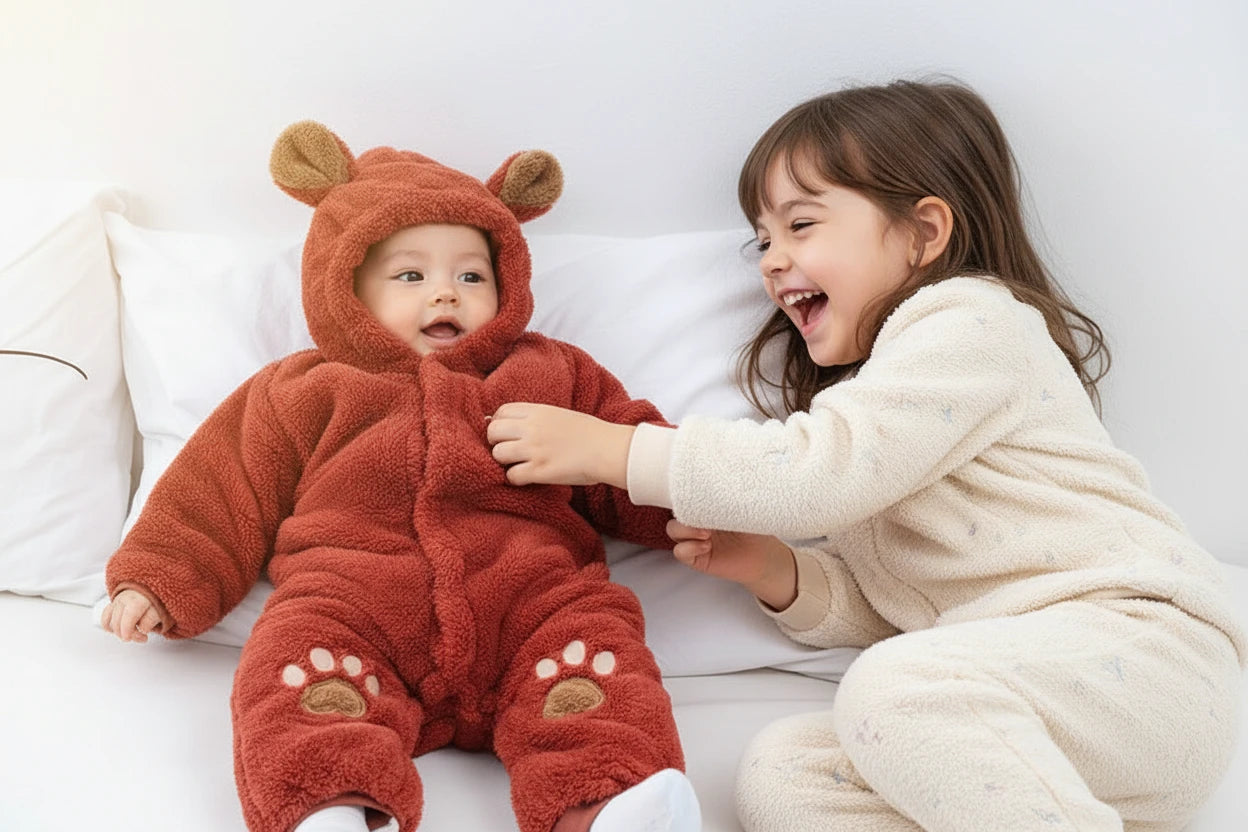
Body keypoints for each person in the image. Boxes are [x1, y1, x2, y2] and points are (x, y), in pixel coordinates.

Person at [485, 79, 1245, 831]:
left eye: (801, 225)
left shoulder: (970, 322)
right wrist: (778, 573)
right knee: (786, 774)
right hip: (1038, 718)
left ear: (924, 232)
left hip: (1143, 658)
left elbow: (815, 475)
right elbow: (892, 606)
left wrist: (618, 450)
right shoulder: (877, 406)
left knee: (892, 688)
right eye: (763, 240)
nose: (772, 260)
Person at [100, 121, 700, 832]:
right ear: (347, 284)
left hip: (532, 600)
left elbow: (628, 451)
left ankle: (611, 801)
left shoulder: (550, 373)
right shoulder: (302, 390)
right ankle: (325, 803)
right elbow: (221, 488)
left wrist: (691, 499)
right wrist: (159, 578)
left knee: (598, 662)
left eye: (471, 276)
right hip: (352, 604)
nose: (445, 294)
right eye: (411, 275)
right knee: (295, 667)